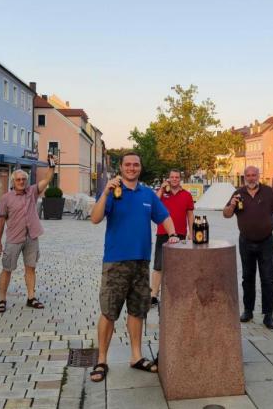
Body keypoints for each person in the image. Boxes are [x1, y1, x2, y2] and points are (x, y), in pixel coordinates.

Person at [89, 152, 180, 382]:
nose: (131, 168)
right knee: (109, 312)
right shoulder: (112, 191)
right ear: (120, 167)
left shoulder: (148, 194)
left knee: (137, 311)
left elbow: (164, 216)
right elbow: (95, 218)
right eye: (127, 164)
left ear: (140, 168)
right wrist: (105, 193)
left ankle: (136, 356)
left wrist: (173, 234)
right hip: (115, 261)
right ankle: (101, 359)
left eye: (135, 164)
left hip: (141, 262)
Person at [222, 166, 273, 329]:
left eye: (254, 175)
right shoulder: (238, 193)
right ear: (244, 177)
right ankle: (248, 310)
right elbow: (226, 214)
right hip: (246, 241)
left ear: (259, 176)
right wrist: (232, 204)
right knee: (247, 278)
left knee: (267, 278)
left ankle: (268, 315)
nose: (251, 178)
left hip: (265, 241)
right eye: (248, 175)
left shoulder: (268, 192)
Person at [0, 156, 57, 313]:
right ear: (13, 182)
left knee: (31, 268)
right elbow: (0, 221)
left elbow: (48, 178)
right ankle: (2, 299)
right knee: (7, 269)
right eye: (18, 180)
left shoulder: (32, 192)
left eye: (23, 179)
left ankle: (31, 297)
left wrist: (52, 165)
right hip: (14, 238)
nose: (21, 182)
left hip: (31, 237)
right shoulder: (6, 198)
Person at [150, 169, 194, 306]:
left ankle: (177, 294)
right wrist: (162, 190)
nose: (174, 179)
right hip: (163, 233)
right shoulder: (163, 193)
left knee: (178, 267)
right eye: (172, 177)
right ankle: (153, 295)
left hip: (180, 234)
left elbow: (190, 215)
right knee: (158, 265)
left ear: (180, 179)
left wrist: (191, 233)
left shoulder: (186, 195)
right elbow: (153, 204)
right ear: (168, 179)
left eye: (177, 177)